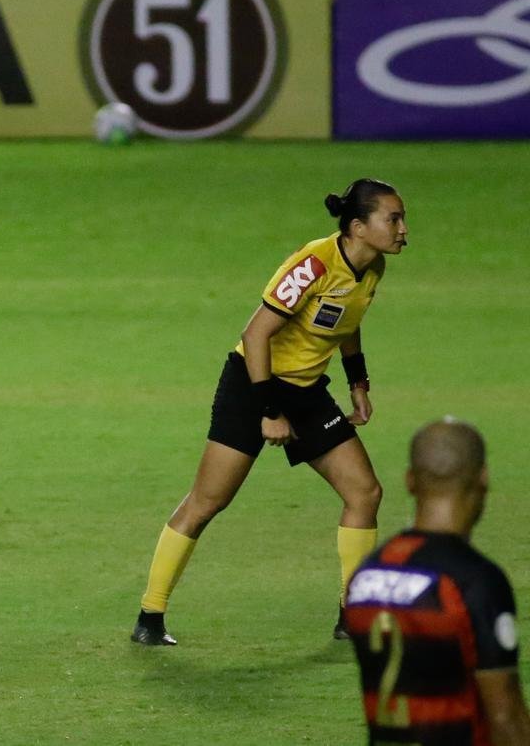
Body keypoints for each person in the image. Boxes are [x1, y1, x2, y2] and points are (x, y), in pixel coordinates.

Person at [133, 179, 409, 646]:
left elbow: (346, 323)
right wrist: (269, 411)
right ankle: (150, 616)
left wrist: (357, 382)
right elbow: (256, 333)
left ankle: (352, 615)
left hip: (304, 391)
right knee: (207, 502)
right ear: (359, 227)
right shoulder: (313, 264)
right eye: (394, 219)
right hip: (252, 385)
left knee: (365, 492)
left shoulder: (373, 266)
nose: (403, 228)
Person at [345, 418, 530, 745]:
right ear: (483, 479)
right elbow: (506, 718)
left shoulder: (365, 576)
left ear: (410, 481)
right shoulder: (475, 580)